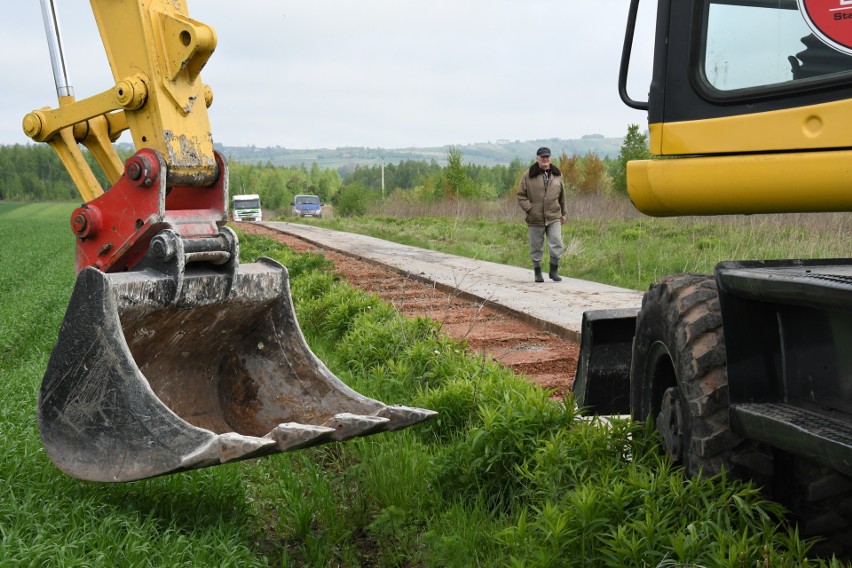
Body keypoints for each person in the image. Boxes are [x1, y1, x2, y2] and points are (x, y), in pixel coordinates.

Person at [516, 147, 566, 282]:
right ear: (537, 158)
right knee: (536, 246)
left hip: (554, 216)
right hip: (535, 218)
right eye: (542, 157)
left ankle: (553, 271)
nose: (545, 159)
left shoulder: (557, 174)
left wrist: (564, 213)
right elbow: (520, 195)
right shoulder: (528, 175)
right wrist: (530, 209)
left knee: (557, 243)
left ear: (551, 158)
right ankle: (537, 272)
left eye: (547, 157)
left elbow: (562, 196)